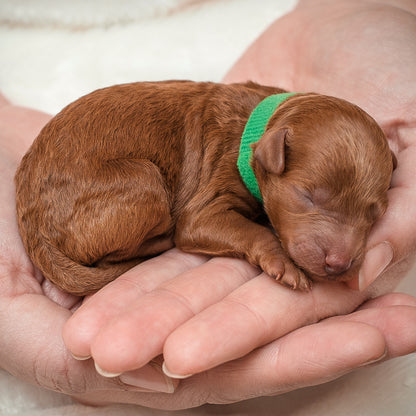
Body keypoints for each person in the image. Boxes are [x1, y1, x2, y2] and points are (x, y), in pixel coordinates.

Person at [0, 0, 415, 410]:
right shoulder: (234, 145)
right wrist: (263, 245)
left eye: (369, 215)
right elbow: (198, 225)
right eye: (310, 199)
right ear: (269, 157)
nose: (342, 253)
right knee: (152, 200)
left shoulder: (286, 131)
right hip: (90, 198)